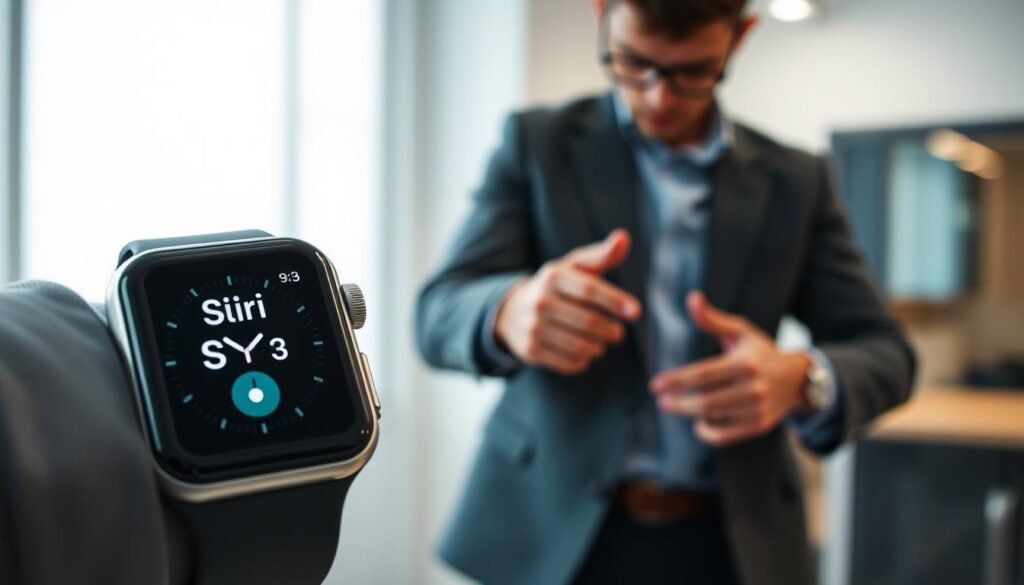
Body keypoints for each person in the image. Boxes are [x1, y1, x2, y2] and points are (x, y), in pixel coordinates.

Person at [415, 0, 916, 583]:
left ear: (741, 37)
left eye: (693, 71)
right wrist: (506, 312)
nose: (658, 96)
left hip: (732, 544)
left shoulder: (797, 180)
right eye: (632, 63)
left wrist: (801, 379)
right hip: (551, 534)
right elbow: (438, 310)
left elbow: (888, 353)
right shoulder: (537, 143)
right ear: (601, 13)